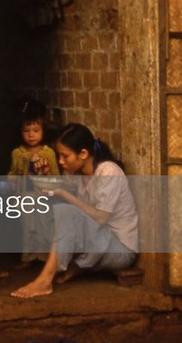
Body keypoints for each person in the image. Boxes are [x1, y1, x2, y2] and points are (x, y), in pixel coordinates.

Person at [11, 123, 138, 299]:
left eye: (65, 156)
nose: (61, 161)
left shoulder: (108, 172)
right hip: (95, 243)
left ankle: (45, 281)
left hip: (118, 249)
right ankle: (78, 264)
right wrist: (44, 175)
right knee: (35, 201)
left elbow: (100, 218)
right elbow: (51, 193)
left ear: (83, 154)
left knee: (67, 212)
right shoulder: (74, 173)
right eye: (59, 155)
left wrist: (63, 193)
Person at [6, 100, 59, 268]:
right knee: (27, 226)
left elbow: (57, 177)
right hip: (24, 197)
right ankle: (28, 257)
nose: (31, 135)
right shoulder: (17, 153)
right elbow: (13, 172)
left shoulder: (49, 153)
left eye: (36, 131)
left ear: (43, 131)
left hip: (44, 197)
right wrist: (11, 178)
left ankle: (44, 258)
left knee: (45, 225)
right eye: (26, 131)